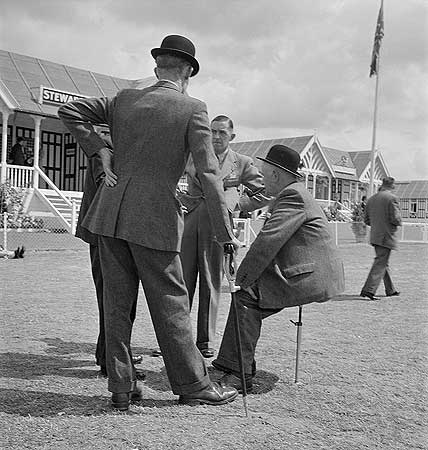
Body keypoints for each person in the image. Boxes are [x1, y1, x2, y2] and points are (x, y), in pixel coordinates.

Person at [58, 34, 239, 411]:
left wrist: (100, 148)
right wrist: (225, 234)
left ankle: (121, 388)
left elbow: (71, 111)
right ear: (188, 71)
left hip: (110, 215)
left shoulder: (123, 99)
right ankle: (192, 385)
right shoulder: (193, 108)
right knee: (171, 302)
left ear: (157, 66)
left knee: (116, 303)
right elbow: (208, 175)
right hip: (155, 219)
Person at [211, 145, 345, 391]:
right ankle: (232, 361)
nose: (261, 180)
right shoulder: (295, 192)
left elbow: (268, 241)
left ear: (275, 175)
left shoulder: (292, 196)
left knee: (244, 294)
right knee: (246, 294)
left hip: (310, 276)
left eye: (264, 174)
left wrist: (241, 278)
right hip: (307, 270)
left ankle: (239, 373)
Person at [178, 115, 270, 358]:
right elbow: (169, 179)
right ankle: (177, 337)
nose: (216, 137)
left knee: (210, 282)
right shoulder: (194, 155)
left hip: (219, 228)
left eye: (222, 133)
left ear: (232, 136)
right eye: (212, 132)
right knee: (182, 282)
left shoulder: (241, 162)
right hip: (191, 221)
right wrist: (181, 199)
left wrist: (234, 203)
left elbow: (264, 193)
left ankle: (205, 340)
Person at [75, 131, 144, 378]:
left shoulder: (112, 155)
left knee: (115, 300)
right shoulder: (102, 157)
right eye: (101, 132)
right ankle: (111, 360)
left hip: (107, 235)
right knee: (114, 300)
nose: (105, 137)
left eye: (109, 131)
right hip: (104, 236)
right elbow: (111, 185)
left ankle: (110, 354)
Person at [360, 177, 401, 301]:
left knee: (383, 262)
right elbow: (396, 218)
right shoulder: (392, 198)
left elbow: (366, 220)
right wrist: (397, 222)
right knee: (381, 262)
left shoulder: (371, 199)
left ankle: (390, 289)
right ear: (392, 186)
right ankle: (369, 290)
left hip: (375, 235)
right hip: (386, 235)